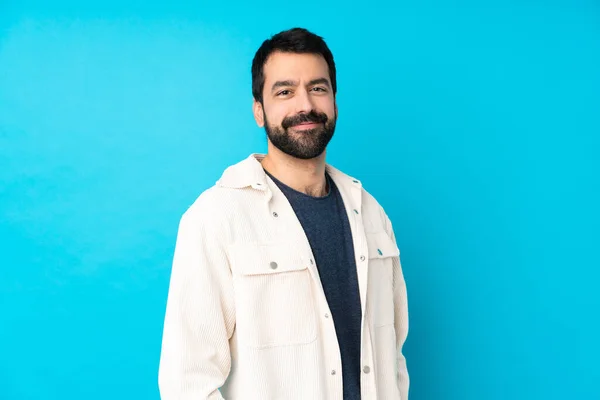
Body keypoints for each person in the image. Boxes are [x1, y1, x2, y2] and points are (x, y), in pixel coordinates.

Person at [158, 27, 410, 400]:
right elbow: (187, 383)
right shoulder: (216, 217)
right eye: (285, 91)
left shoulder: (370, 212)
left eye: (318, 88)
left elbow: (392, 356)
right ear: (259, 110)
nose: (305, 105)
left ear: (335, 101)